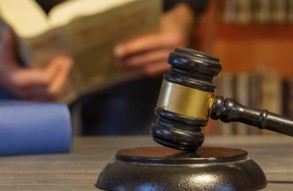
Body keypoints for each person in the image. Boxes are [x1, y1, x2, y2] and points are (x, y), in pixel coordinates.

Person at [0, 0, 209, 135]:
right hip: (18, 50)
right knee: (22, 182)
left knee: (137, 177)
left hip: (136, 51)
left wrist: (184, 12)